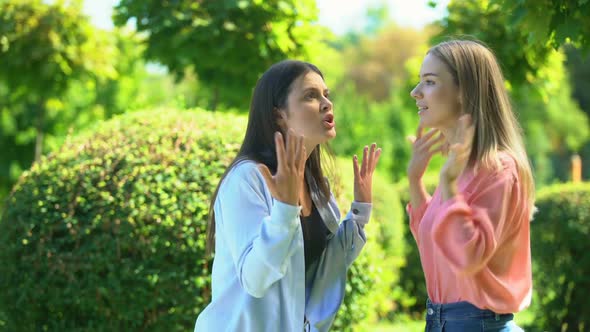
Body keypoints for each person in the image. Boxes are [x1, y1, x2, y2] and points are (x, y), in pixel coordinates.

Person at [194, 60, 381, 332]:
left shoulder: (315, 186)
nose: (327, 104)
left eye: (326, 95)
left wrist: (360, 212)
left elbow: (325, 266)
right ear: (279, 115)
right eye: (310, 96)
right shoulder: (247, 178)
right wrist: (284, 209)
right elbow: (255, 279)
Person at [407, 39, 534, 331]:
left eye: (429, 81)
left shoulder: (500, 169)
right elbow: (434, 246)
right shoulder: (458, 167)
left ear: (464, 91)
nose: (415, 93)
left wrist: (449, 186)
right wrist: (415, 180)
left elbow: (468, 257)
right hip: (439, 322)